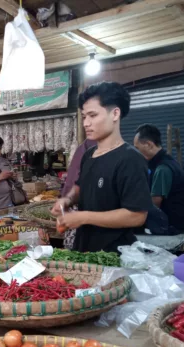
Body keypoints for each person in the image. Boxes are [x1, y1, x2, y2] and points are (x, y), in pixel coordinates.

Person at [51, 82, 152, 253]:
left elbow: (137, 216)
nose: (86, 123)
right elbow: (81, 187)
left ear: (115, 114)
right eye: (84, 117)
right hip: (84, 249)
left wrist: (83, 217)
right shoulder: (89, 155)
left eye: (92, 115)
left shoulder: (130, 159)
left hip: (114, 255)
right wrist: (67, 200)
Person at [133, 124, 184, 235]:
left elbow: (155, 203)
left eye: (137, 148)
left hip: (172, 226)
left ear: (149, 145)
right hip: (178, 222)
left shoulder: (162, 168)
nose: (136, 152)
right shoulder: (166, 161)